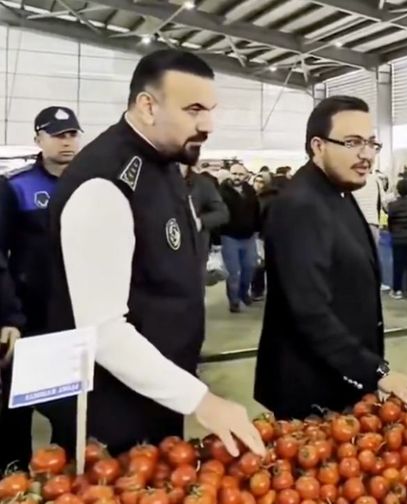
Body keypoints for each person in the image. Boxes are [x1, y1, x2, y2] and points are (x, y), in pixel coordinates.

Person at [42, 49, 264, 456]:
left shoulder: (161, 163)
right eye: (194, 109)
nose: (208, 124)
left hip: (157, 394)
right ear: (147, 106)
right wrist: (202, 401)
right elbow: (104, 332)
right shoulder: (104, 184)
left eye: (211, 110)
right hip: (114, 416)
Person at [255, 96, 407, 419]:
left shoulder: (338, 192)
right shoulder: (301, 206)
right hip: (311, 392)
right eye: (352, 143)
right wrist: (377, 372)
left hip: (341, 380)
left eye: (371, 143)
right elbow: (308, 310)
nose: (366, 154)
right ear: (317, 146)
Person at [0, 105, 82, 467]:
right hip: (27, 319)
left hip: (73, 318)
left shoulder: (89, 184)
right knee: (16, 408)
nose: (66, 142)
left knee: (69, 411)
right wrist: (9, 316)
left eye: (71, 134)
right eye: (56, 135)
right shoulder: (16, 188)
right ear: (38, 139)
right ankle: (12, 473)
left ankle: (63, 478)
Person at [219, 162, 261, 313]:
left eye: (240, 174)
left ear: (246, 176)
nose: (237, 177)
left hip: (249, 237)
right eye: (234, 174)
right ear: (230, 174)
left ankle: (244, 293)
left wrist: (258, 230)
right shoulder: (221, 192)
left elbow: (256, 210)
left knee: (250, 267)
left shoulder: (250, 191)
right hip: (229, 237)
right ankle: (234, 301)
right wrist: (216, 240)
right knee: (233, 272)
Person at [181, 164, 228, 267]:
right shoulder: (157, 181)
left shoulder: (203, 184)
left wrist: (200, 222)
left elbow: (223, 213)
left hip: (195, 249)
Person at [250, 174, 278, 301]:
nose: (257, 184)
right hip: (268, 235)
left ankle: (257, 290)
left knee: (260, 264)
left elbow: (259, 217)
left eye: (261, 181)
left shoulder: (264, 198)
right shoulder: (272, 196)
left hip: (263, 235)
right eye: (256, 181)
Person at [352, 169, 383, 245]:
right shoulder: (376, 180)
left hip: (357, 223)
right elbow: (382, 200)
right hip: (372, 222)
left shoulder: (353, 180)